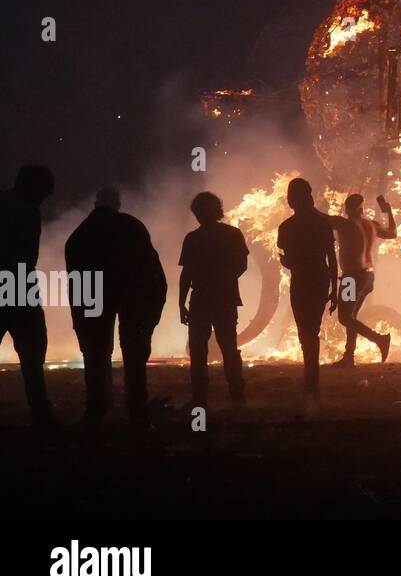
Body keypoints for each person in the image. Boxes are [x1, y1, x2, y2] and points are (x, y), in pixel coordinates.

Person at [64, 187, 166, 426]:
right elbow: (152, 270)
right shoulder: (132, 226)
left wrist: (80, 317)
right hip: (133, 296)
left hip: (93, 295)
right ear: (117, 203)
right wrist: (152, 307)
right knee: (134, 353)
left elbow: (76, 280)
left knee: (95, 353)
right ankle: (137, 411)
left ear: (96, 203)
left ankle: (96, 410)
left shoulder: (80, 234)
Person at [178, 192, 248, 409]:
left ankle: (201, 399)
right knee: (228, 348)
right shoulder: (232, 234)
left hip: (202, 300)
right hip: (223, 299)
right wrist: (226, 278)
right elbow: (242, 265)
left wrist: (182, 302)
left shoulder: (193, 238)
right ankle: (237, 396)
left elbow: (187, 274)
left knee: (200, 352)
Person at [0, 164, 56, 427]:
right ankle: (40, 413)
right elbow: (27, 257)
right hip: (18, 288)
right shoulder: (27, 211)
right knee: (33, 351)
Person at [276, 178, 337, 406]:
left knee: (306, 332)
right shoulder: (322, 223)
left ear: (292, 199)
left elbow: (289, 261)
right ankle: (312, 380)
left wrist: (286, 261)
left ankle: (311, 380)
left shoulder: (286, 227)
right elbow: (331, 257)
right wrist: (335, 287)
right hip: (320, 281)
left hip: (301, 281)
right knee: (312, 328)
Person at [327, 194, 394, 365]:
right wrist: (389, 212)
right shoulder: (371, 225)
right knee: (352, 316)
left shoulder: (344, 224)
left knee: (345, 317)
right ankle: (349, 356)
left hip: (352, 279)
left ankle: (379, 339)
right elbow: (392, 233)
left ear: (348, 209)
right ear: (362, 210)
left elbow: (321, 219)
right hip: (367, 277)